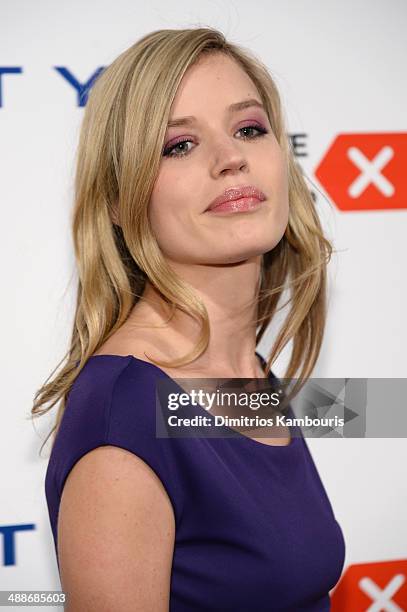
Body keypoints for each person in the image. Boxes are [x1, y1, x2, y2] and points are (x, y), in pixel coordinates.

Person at [32, 26, 345, 611]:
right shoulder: (123, 415)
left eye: (249, 128)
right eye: (179, 145)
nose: (232, 159)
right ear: (123, 200)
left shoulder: (243, 367)